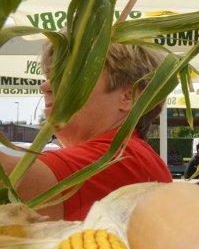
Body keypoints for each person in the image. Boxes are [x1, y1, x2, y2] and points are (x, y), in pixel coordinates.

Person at [2, 43, 171, 220]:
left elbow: (10, 180)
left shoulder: (123, 159)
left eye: (71, 75)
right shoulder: (133, 155)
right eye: (49, 76)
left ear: (128, 96)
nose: (45, 86)